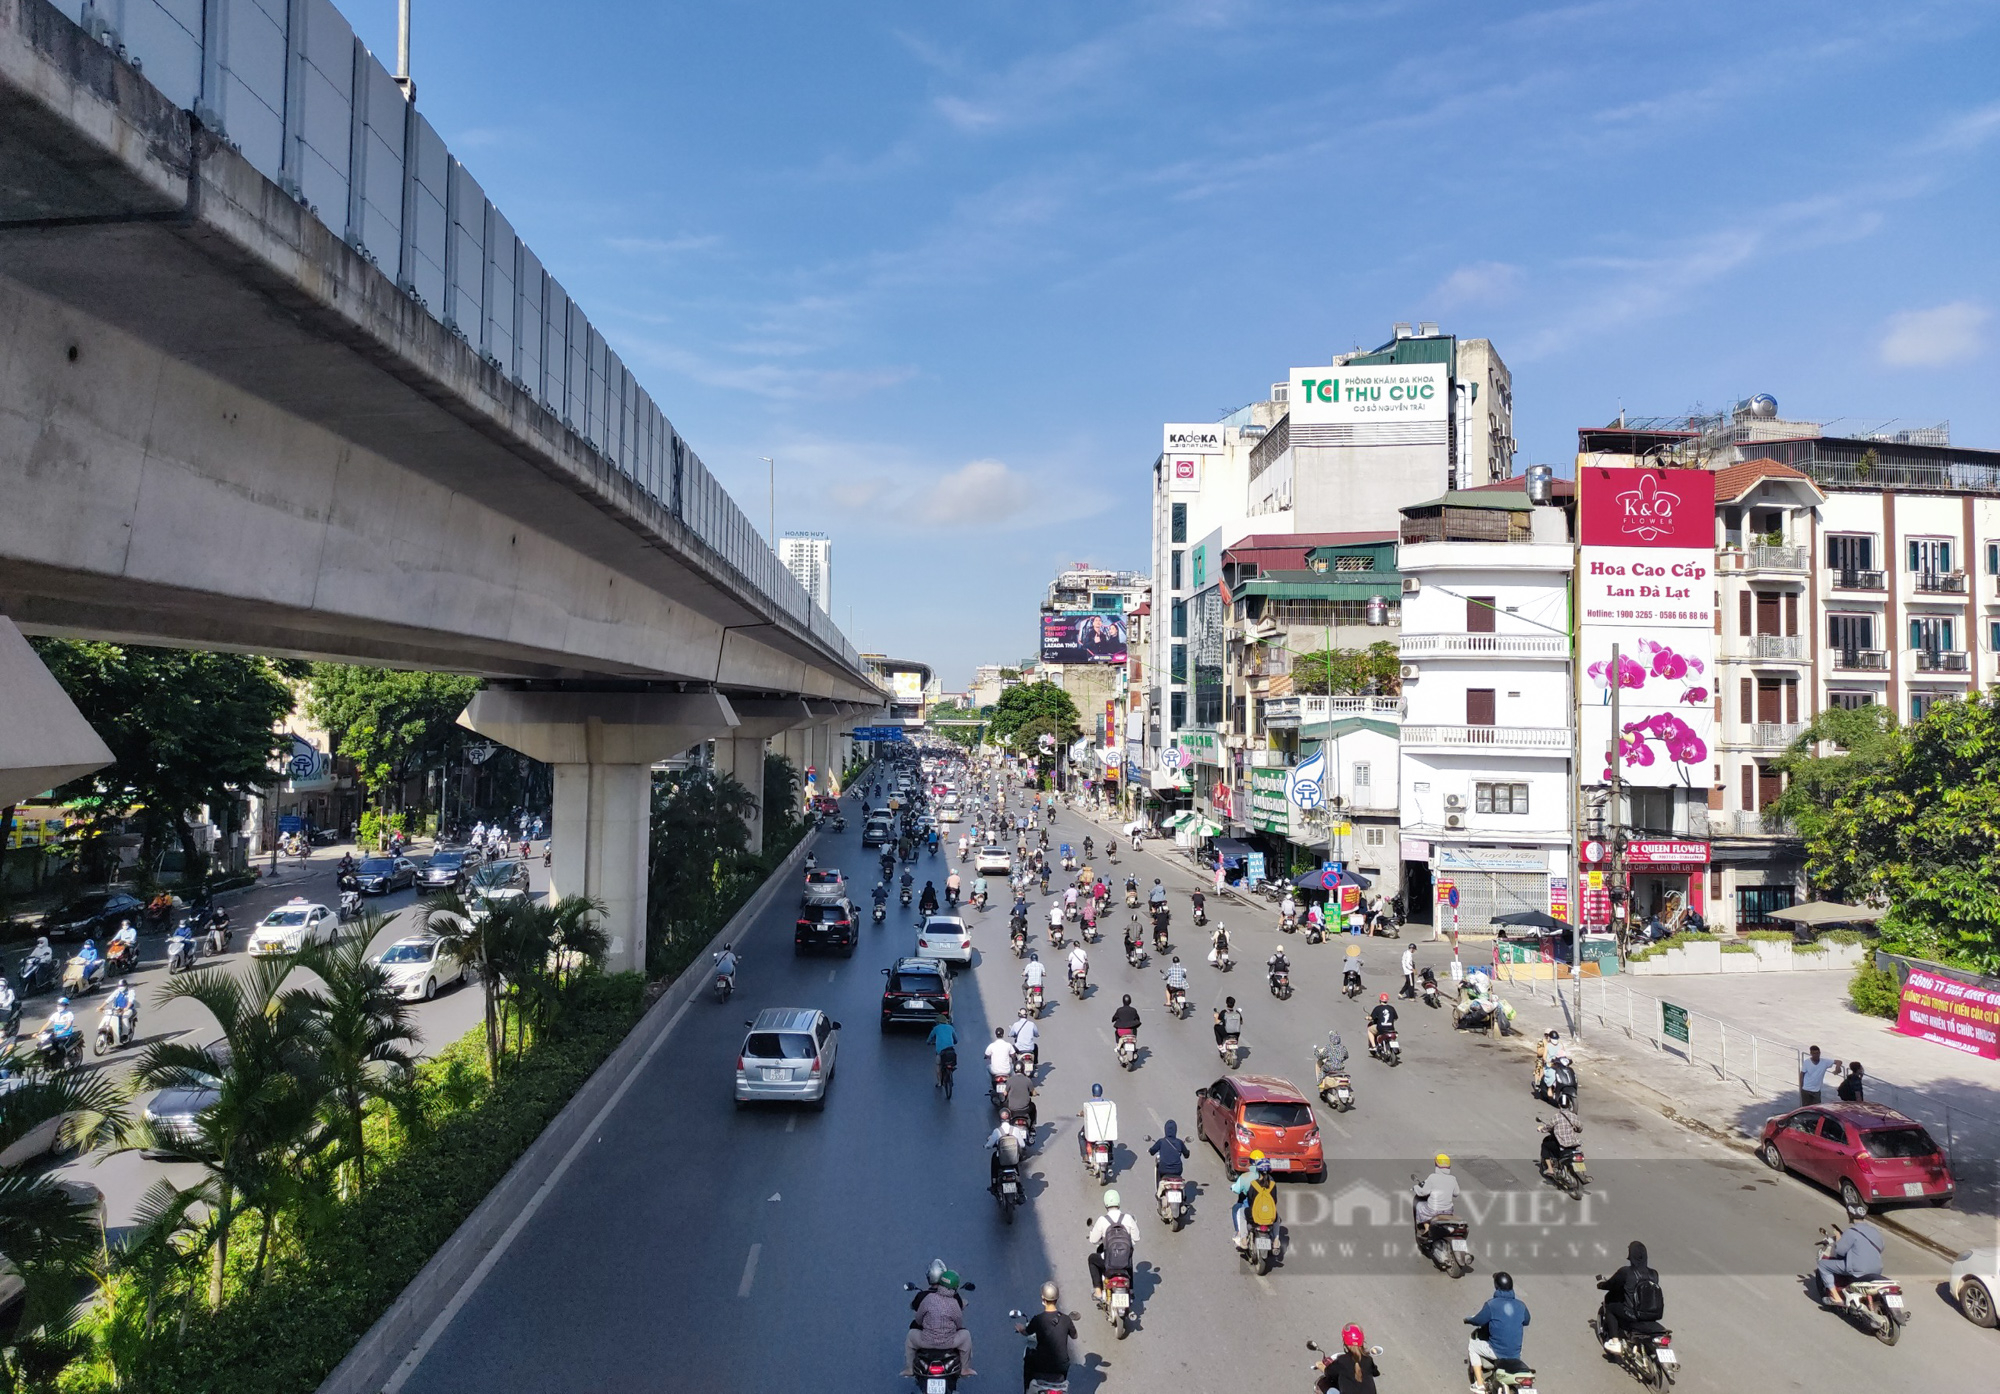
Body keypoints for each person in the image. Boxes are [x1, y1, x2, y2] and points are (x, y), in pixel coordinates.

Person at [1595, 1240, 1664, 1353]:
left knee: (1610, 1306)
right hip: (1653, 1314)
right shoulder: (1654, 1273)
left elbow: (1612, 1284)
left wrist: (1602, 1285)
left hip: (1632, 1313)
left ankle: (1615, 1342)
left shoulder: (1626, 1272)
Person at [1465, 1272, 1530, 1389]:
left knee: (1473, 1345)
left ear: (1496, 1286)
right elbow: (1526, 1321)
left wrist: (1469, 1320)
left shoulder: (1492, 1305)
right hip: (1516, 1353)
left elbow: (1478, 1320)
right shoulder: (1521, 1306)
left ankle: (1479, 1384)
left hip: (1497, 1352)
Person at [905, 1267, 973, 1377]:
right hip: (948, 1343)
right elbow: (959, 1324)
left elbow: (918, 1319)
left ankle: (909, 1369)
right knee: (966, 1335)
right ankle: (965, 1369)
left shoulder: (928, 1298)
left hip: (925, 1341)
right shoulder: (954, 1304)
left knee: (910, 1335)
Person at [1015, 1281, 1075, 1394]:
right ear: (1057, 1298)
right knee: (1066, 1362)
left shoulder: (1038, 1319)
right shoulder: (1066, 1319)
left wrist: (1020, 1328)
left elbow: (1026, 1332)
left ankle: (1027, 1389)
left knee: (1028, 1358)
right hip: (1061, 1366)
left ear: (1043, 1299)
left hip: (1042, 1364)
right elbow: (1074, 1335)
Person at [1815, 1219, 1885, 1304]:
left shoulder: (1851, 1232)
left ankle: (1836, 1298)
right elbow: (1881, 1248)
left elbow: (1840, 1251)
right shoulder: (1875, 1232)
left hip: (1857, 1269)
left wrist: (1838, 1237)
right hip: (1877, 1270)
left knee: (1823, 1265)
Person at [1085, 1189, 1137, 1303]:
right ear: (1118, 1202)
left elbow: (1094, 1240)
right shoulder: (1127, 1218)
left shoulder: (1102, 1220)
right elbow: (1136, 1238)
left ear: (1106, 1204)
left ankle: (1098, 1291)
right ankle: (1131, 1290)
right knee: (1129, 1255)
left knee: (1092, 1259)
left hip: (1108, 1262)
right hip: (1124, 1264)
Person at [1315, 1324, 1381, 1394]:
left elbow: (1328, 1372)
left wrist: (1320, 1365)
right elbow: (1376, 1373)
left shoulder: (1342, 1361)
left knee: (1324, 1384)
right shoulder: (1368, 1359)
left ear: (1344, 1342)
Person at [1230, 1153, 1278, 1246]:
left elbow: (1250, 1200)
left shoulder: (1253, 1183)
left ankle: (1242, 1237)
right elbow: (1274, 1200)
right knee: (1277, 1219)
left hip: (1255, 1213)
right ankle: (1276, 1240)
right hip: (1269, 1213)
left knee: (1240, 1212)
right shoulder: (1272, 1183)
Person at [1414, 1153, 1460, 1228]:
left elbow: (1423, 1192)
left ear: (1436, 1165)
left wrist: (1416, 1188)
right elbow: (1456, 1193)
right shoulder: (1452, 1179)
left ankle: (1426, 1227)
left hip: (1433, 1210)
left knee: (1419, 1206)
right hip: (1448, 1211)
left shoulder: (1432, 1177)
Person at [987, 1115, 1029, 1191]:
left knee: (994, 1159)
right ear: (1010, 1119)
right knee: (1016, 1163)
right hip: (1013, 1159)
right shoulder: (1015, 1130)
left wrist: (986, 1146)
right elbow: (1022, 1144)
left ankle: (994, 1184)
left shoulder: (997, 1131)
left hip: (1001, 1160)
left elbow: (989, 1145)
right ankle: (1019, 1184)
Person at [1540, 1105, 1582, 1180]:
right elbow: (1580, 1129)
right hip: (1575, 1144)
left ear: (1559, 1105)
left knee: (1545, 1145)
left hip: (1562, 1145)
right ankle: (1580, 1172)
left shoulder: (1556, 1117)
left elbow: (1548, 1127)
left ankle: (1550, 1169)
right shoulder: (1574, 1116)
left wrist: (1541, 1129)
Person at [1078, 1082, 1117, 1164]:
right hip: (1104, 1128)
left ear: (1093, 1092)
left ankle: (1085, 1155)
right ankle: (1110, 1155)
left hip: (1093, 1128)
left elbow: (1084, 1112)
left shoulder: (1090, 1104)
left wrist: (1080, 1114)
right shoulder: (1107, 1102)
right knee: (1109, 1138)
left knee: (1081, 1135)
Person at [1149, 1118, 1190, 1189]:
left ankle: (1159, 1189)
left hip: (1163, 1170)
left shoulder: (1161, 1141)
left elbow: (1152, 1151)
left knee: (1158, 1167)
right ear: (1175, 1130)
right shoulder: (1179, 1142)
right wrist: (1187, 1151)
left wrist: (1150, 1150)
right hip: (1178, 1170)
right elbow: (1186, 1155)